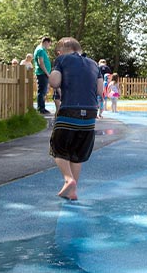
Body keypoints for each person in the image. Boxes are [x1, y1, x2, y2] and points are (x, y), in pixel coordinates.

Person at [48, 37, 103, 201]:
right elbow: (100, 90)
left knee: (58, 147)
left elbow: (55, 82)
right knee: (77, 153)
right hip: (91, 114)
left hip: (70, 110)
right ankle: (72, 191)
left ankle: (68, 179)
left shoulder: (62, 59)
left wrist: (53, 71)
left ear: (63, 49)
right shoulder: (94, 64)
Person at [34, 36, 52, 114]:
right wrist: (47, 73)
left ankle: (42, 107)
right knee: (42, 91)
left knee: (43, 91)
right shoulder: (40, 50)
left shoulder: (42, 50)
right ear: (46, 42)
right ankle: (41, 108)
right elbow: (41, 63)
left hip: (43, 73)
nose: (49, 46)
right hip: (42, 73)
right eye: (49, 44)